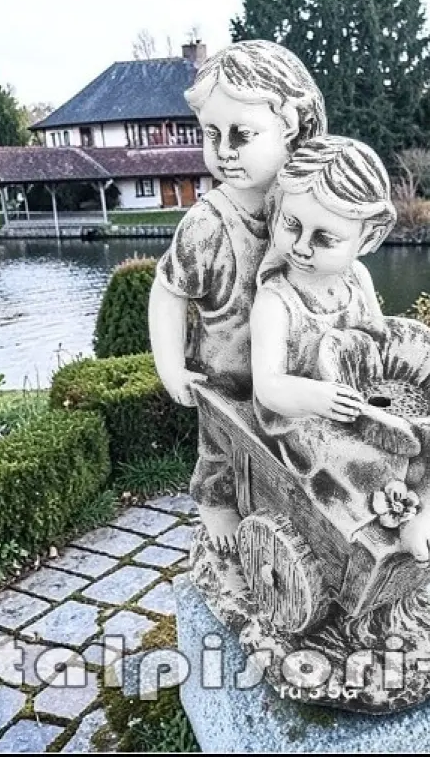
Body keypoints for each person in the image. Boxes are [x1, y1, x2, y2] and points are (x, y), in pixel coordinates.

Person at [250, 136, 430, 568]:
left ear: (368, 237)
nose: (301, 246)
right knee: (364, 456)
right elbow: (268, 386)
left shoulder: (357, 278)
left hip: (365, 401)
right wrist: (318, 397)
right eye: (291, 225)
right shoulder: (276, 300)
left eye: (324, 237)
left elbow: (378, 338)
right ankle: (427, 490)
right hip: (309, 418)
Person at [148, 40, 327, 556]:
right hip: (228, 369)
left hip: (295, 364)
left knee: (298, 443)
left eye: (242, 135)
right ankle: (215, 504)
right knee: (222, 445)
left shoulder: (304, 205)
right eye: (212, 134)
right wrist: (171, 368)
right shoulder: (206, 223)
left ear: (288, 126)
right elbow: (168, 292)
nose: (224, 150)